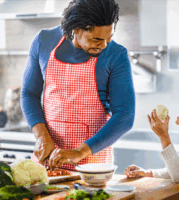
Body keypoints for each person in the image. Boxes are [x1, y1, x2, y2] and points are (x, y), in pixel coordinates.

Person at [21, 0, 135, 171]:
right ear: (76, 29)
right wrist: (42, 137)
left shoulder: (116, 55)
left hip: (92, 167)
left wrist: (79, 152)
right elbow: (29, 93)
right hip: (47, 162)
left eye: (109, 38)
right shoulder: (43, 41)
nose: (104, 45)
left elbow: (125, 115)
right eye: (96, 39)